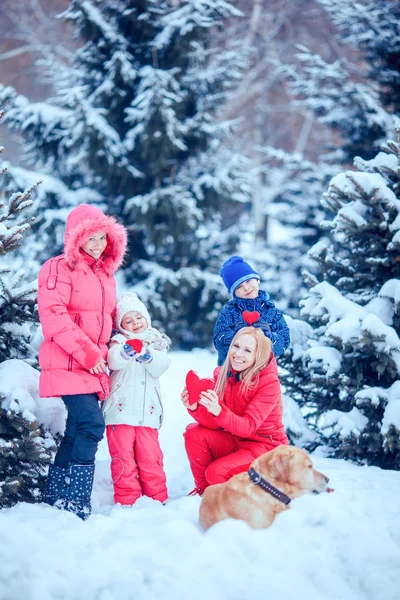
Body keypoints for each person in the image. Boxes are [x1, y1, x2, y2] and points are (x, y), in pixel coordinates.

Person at [38, 203, 127, 520]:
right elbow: (54, 318)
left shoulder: (105, 275)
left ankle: (56, 495)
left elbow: (108, 319)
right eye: (92, 238)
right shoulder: (57, 268)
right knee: (91, 424)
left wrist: (132, 336)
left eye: (104, 238)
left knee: (77, 429)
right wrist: (89, 355)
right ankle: (76, 501)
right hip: (69, 362)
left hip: (95, 366)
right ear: (76, 237)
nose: (99, 244)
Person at [182, 325, 288, 495]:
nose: (238, 354)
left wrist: (219, 411)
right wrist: (194, 407)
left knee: (216, 473)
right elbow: (213, 422)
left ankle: (264, 489)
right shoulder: (223, 375)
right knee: (194, 433)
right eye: (236, 346)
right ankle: (205, 493)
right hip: (236, 439)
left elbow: (248, 426)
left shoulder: (269, 383)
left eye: (247, 350)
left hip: (266, 447)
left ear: (258, 355)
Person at [102, 292, 171, 505]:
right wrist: (125, 352)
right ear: (121, 325)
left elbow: (162, 366)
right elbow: (112, 361)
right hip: (119, 412)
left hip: (147, 412)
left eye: (138, 317)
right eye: (128, 321)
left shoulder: (155, 340)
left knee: (150, 456)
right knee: (123, 457)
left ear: (146, 318)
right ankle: (127, 498)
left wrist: (149, 357)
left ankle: (157, 497)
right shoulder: (119, 341)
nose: (135, 323)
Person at [213, 256, 290, 365]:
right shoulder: (229, 312)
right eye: (239, 287)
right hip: (232, 373)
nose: (246, 288)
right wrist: (241, 338)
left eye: (248, 281)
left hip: (262, 373)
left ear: (257, 280)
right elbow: (219, 339)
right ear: (234, 293)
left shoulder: (271, 311)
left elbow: (284, 339)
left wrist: (268, 339)